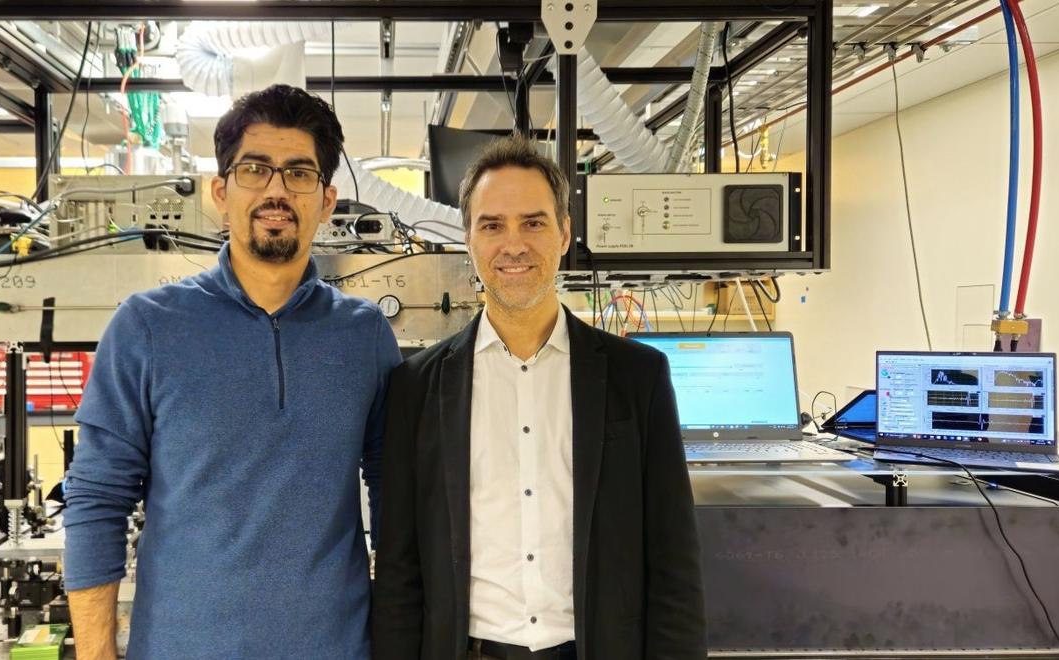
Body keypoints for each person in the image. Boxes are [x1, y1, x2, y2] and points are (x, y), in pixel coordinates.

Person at [64, 84, 400, 659]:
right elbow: (97, 497)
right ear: (221, 191)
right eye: (255, 170)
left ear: (326, 200)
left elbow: (397, 495)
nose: (276, 190)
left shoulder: (364, 334)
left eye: (299, 173)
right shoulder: (146, 327)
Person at [371, 137, 706, 659]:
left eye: (533, 222)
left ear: (565, 232)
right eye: (492, 225)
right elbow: (399, 568)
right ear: (468, 239)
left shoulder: (637, 378)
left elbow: (674, 562)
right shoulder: (417, 387)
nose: (514, 244)